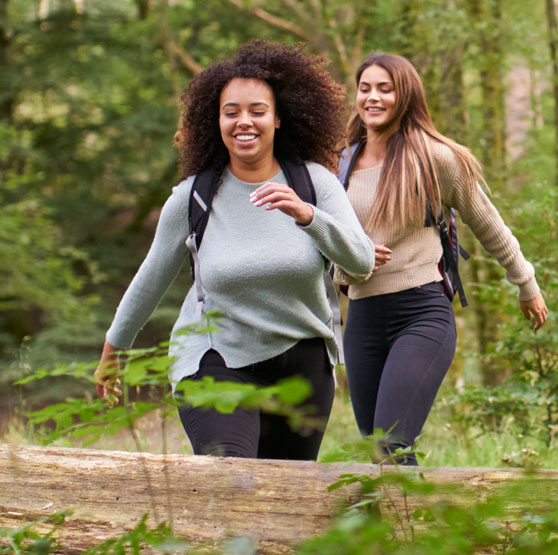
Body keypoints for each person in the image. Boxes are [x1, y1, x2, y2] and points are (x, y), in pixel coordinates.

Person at [95, 40, 375, 460]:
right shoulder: (194, 198)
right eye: (232, 112)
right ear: (217, 121)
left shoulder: (315, 184)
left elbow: (362, 261)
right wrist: (112, 352)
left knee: (284, 501)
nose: (244, 122)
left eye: (257, 111)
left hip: (301, 362)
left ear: (278, 119)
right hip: (215, 357)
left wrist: (307, 216)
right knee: (231, 480)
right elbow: (150, 279)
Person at [335, 53, 548, 465]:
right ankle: (400, 528)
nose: (373, 98)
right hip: (360, 316)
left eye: (385, 88)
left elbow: (489, 225)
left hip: (420, 312)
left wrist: (526, 284)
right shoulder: (338, 162)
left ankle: (414, 527)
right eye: (365, 89)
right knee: (375, 453)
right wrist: (348, 264)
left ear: (406, 95)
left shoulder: (434, 159)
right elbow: (322, 241)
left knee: (392, 444)